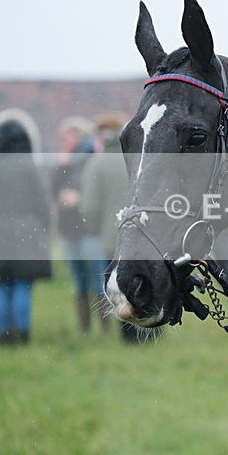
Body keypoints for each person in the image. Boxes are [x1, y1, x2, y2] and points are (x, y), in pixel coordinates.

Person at [0, 108, 52, 345]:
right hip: (27, 233)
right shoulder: (31, 167)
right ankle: (23, 336)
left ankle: (4, 337)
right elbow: (43, 204)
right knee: (22, 285)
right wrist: (41, 228)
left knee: (0, 285)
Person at [80, 113, 136, 341]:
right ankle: (153, 330)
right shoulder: (138, 159)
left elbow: (89, 207)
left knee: (120, 287)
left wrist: (96, 229)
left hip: (111, 237)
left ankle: (128, 334)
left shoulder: (97, 162)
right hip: (146, 234)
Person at [52, 116, 104, 335]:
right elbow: (52, 191)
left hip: (90, 229)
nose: (63, 143)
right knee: (79, 279)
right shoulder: (68, 161)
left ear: (78, 135)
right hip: (69, 228)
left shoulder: (95, 157)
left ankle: (105, 330)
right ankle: (85, 330)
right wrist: (60, 168)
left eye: (66, 138)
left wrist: (79, 199)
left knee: (97, 278)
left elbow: (101, 193)